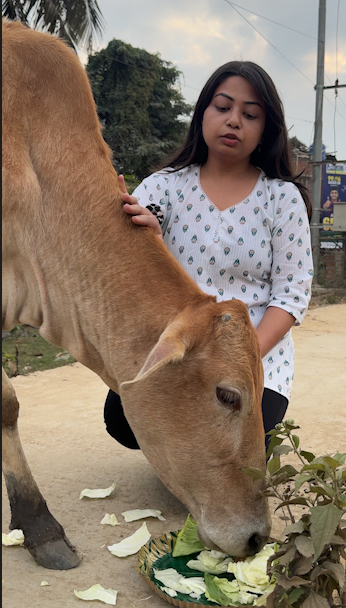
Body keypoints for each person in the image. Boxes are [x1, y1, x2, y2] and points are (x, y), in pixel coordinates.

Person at [104, 61, 313, 452]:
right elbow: (126, 260)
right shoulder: (163, 188)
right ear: (202, 113)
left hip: (254, 355)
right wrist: (149, 239)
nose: (234, 120)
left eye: (250, 114)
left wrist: (240, 359)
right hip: (176, 349)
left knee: (242, 441)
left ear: (265, 130)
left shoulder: (281, 198)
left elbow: (291, 295)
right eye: (223, 107)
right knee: (120, 419)